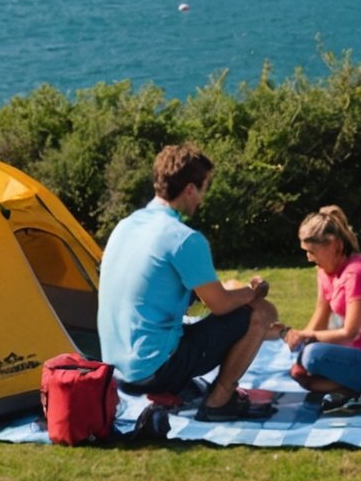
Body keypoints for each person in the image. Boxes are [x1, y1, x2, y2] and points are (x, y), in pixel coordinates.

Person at [96, 143, 280, 421]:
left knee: (226, 298)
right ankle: (220, 400)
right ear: (190, 189)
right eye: (204, 188)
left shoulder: (126, 226)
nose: (202, 198)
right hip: (153, 371)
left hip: (116, 370)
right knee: (263, 312)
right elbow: (219, 306)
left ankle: (185, 385)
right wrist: (253, 292)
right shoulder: (183, 238)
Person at [283, 205, 361, 414]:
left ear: (334, 245)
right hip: (355, 353)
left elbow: (351, 331)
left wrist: (307, 339)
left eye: (312, 252)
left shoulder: (357, 272)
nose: (309, 258)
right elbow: (320, 317)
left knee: (313, 356)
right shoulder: (324, 272)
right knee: (302, 372)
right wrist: (301, 343)